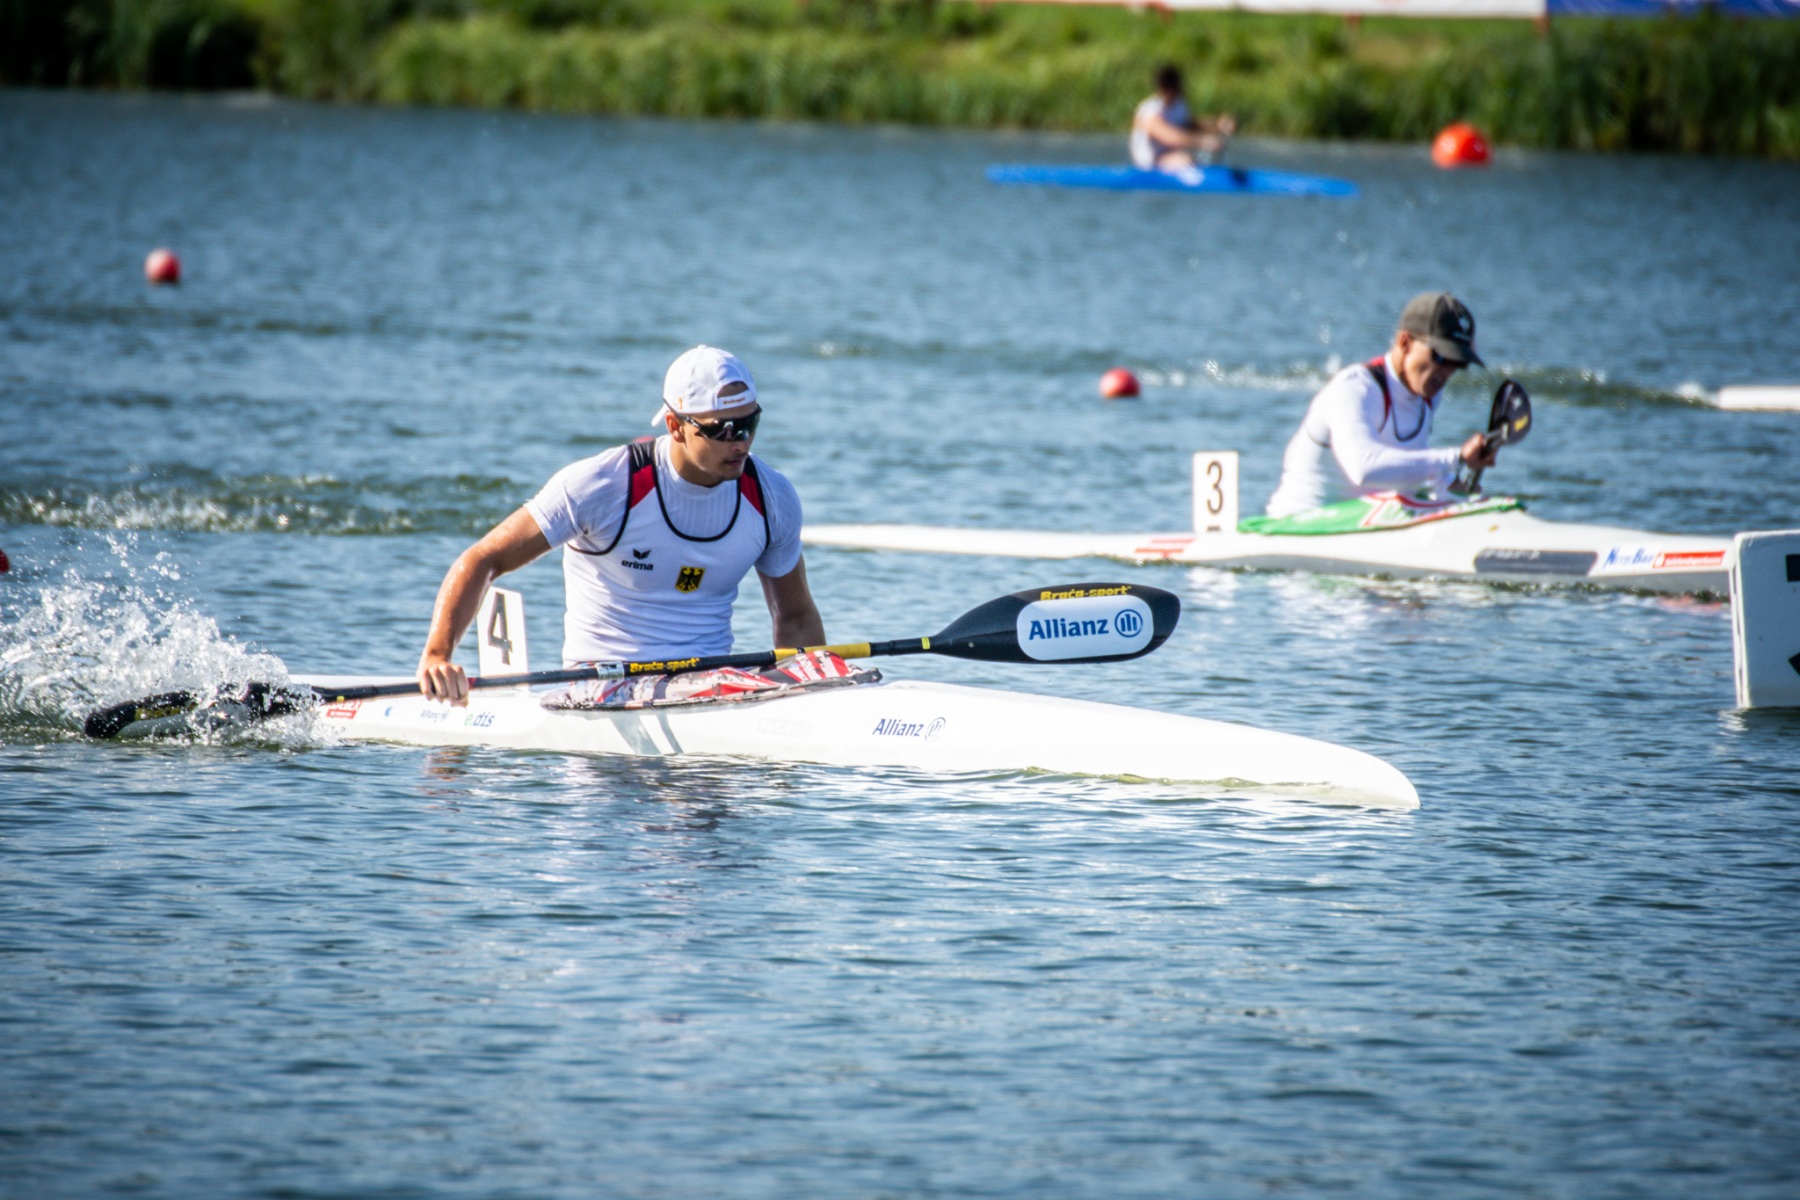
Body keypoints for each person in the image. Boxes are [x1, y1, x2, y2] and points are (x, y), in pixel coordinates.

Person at [417, 345, 826, 704]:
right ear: (675, 426)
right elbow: (483, 558)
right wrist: (438, 656)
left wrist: (815, 693)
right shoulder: (604, 486)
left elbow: (794, 617)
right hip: (602, 684)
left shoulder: (772, 496)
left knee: (831, 672)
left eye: (750, 424)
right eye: (723, 430)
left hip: (711, 682)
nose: (741, 442)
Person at [1265, 292, 1497, 518]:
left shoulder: (1427, 396)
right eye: (1442, 358)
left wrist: (1452, 487)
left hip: (1364, 523)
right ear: (1405, 342)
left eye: (1458, 362)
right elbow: (1363, 469)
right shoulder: (1354, 388)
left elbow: (1410, 466)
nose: (1447, 372)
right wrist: (1457, 458)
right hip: (1297, 525)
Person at [1130, 64, 1237, 172]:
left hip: (1170, 158)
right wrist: (1203, 141)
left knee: (1194, 159)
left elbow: (1190, 125)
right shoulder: (1150, 111)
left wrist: (1218, 125)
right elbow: (1169, 137)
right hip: (1149, 166)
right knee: (1185, 160)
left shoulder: (1179, 105)